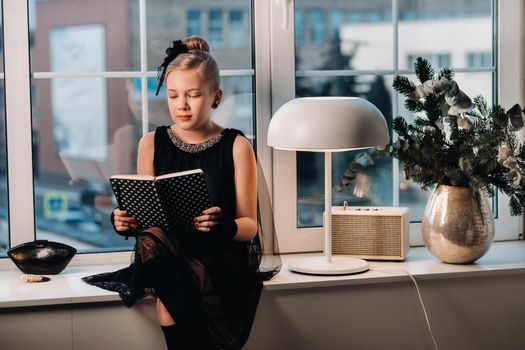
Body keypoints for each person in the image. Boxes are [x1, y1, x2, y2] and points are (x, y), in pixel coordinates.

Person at [83, 36, 279, 349]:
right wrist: (124, 220)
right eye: (173, 95)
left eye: (193, 95)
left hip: (218, 255)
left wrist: (223, 224)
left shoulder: (237, 146)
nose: (181, 105)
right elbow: (146, 214)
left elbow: (249, 227)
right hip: (163, 253)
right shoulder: (151, 143)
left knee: (171, 301)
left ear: (216, 97)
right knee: (155, 241)